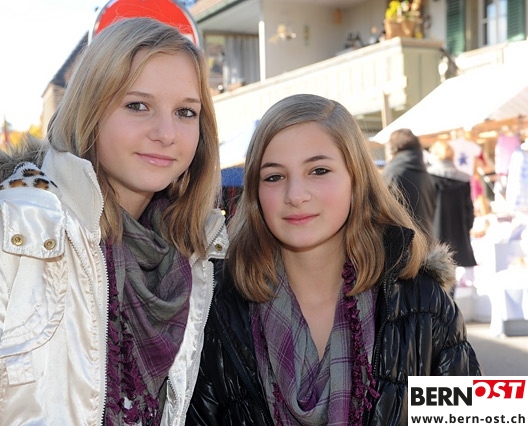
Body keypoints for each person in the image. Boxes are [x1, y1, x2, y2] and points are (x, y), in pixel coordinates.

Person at [0, 17, 227, 425]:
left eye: (186, 112)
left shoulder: (193, 257)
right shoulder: (7, 229)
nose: (166, 132)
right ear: (91, 109)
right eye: (138, 105)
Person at [186, 94, 481, 426]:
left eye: (319, 170)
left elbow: (469, 417)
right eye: (274, 176)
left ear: (356, 178)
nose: (296, 195)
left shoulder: (425, 303)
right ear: (255, 192)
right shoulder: (215, 309)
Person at [427, 140, 477, 289]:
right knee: (451, 276)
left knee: (434, 278)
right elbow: (469, 209)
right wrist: (467, 228)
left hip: (434, 232)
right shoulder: (463, 179)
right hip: (457, 232)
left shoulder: (428, 178)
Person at [382, 128, 436, 240]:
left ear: (392, 150)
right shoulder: (426, 174)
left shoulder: (393, 173)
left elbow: (380, 211)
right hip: (426, 241)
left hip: (401, 244)